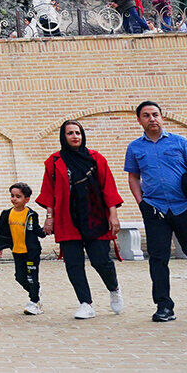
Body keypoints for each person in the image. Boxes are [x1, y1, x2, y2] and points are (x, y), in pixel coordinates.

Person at [125, 100, 187, 321]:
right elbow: (133, 177)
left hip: (185, 208)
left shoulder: (179, 142)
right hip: (155, 210)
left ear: (162, 117)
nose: (152, 119)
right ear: (139, 120)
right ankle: (164, 307)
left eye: (155, 114)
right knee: (158, 259)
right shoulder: (135, 148)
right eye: (146, 115)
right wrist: (141, 203)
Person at [36, 121, 124, 319]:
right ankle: (86, 303)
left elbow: (108, 187)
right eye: (70, 133)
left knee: (101, 261)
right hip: (67, 218)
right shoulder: (54, 161)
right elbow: (49, 191)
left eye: (78, 132)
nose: (75, 136)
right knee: (73, 264)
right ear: (63, 136)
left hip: (95, 217)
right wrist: (49, 218)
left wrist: (113, 215)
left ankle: (114, 289)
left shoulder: (96, 158)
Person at [0, 182, 45, 315]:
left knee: (31, 277)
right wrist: (0, 246)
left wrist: (48, 229)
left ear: (27, 199)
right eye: (12, 196)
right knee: (20, 277)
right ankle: (35, 292)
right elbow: (2, 232)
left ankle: (34, 302)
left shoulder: (31, 214)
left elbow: (37, 230)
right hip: (17, 251)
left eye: (18, 196)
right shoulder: (7, 214)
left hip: (31, 252)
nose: (14, 199)